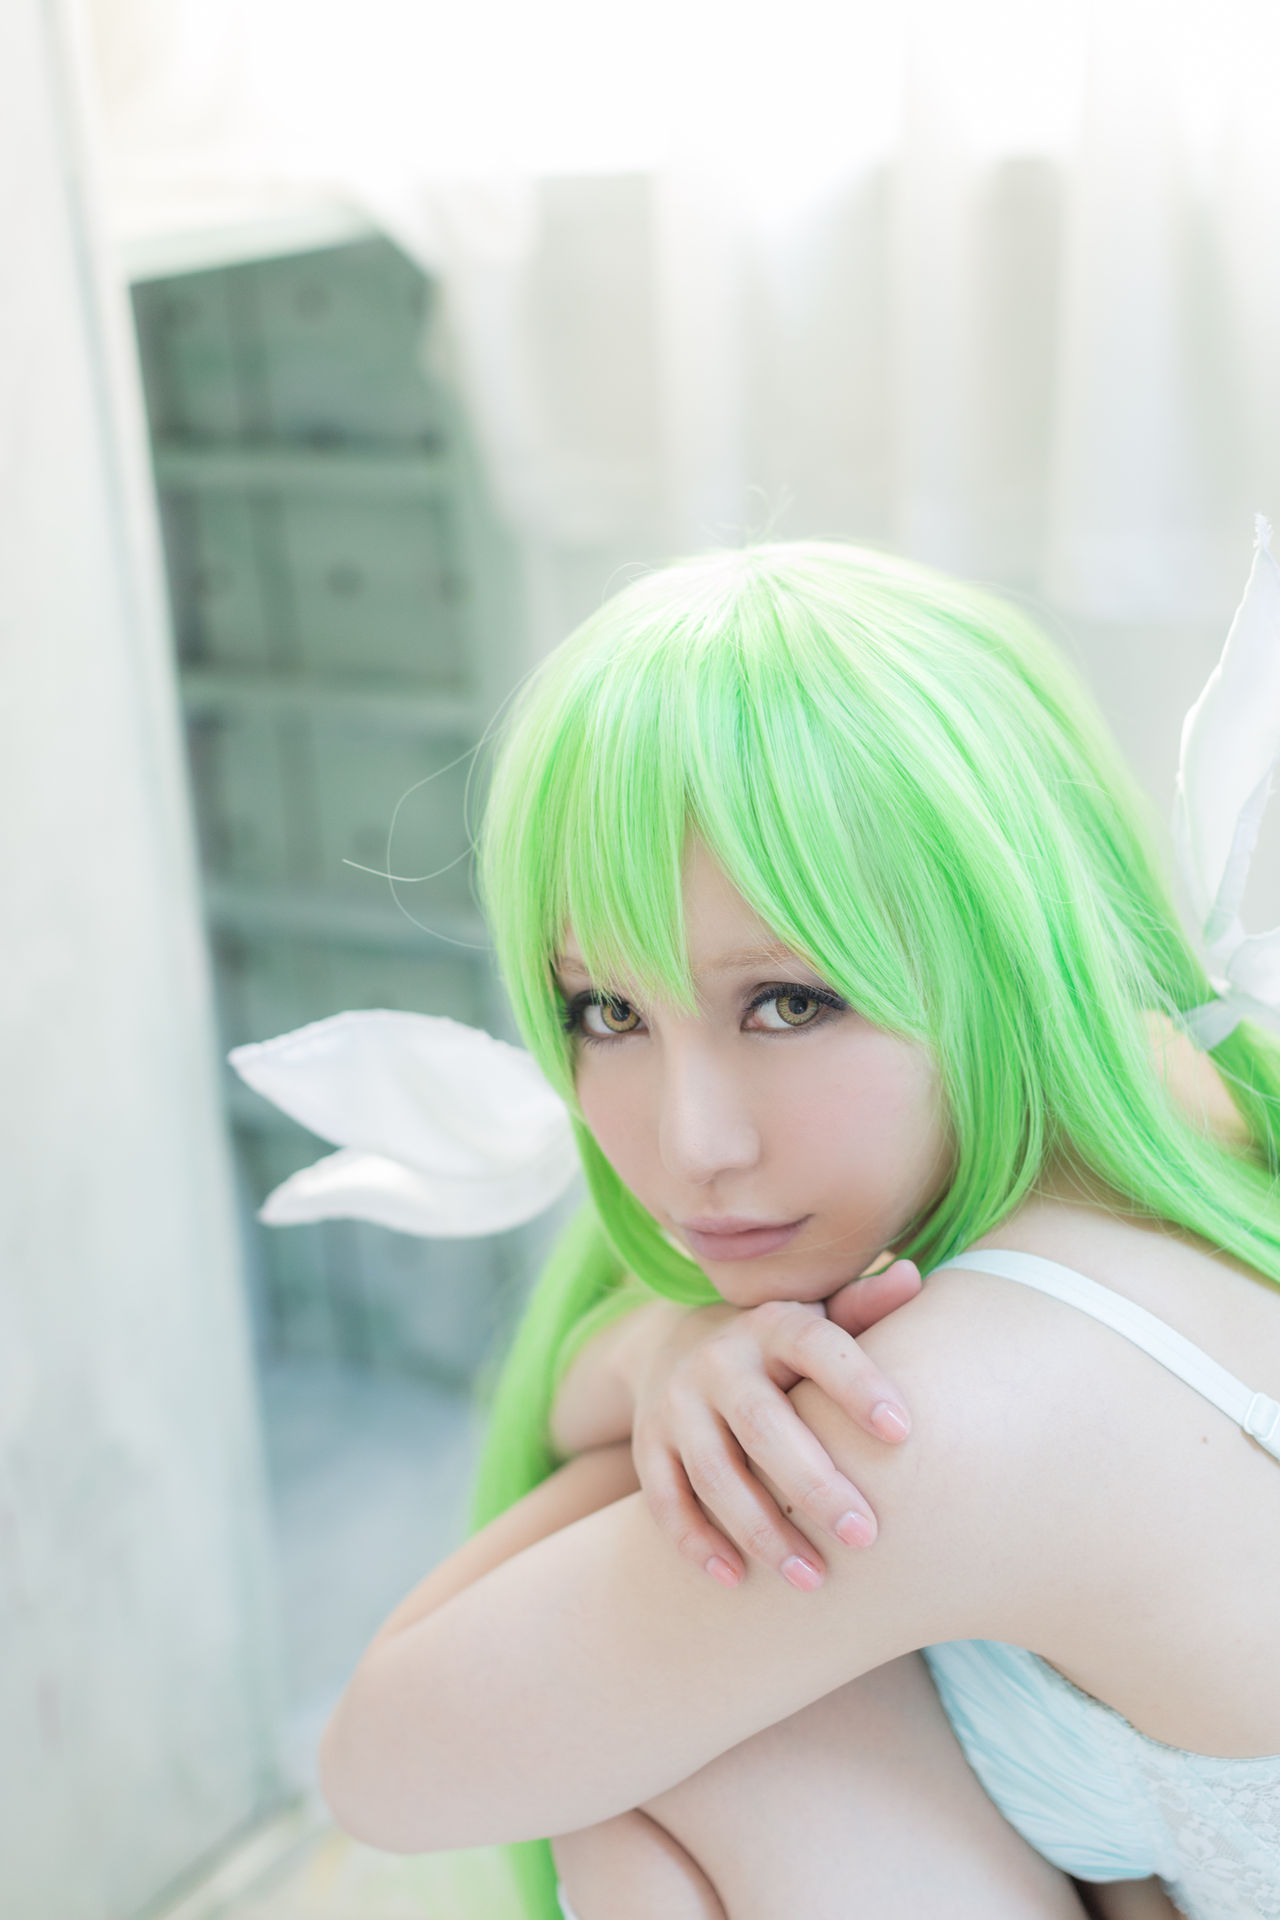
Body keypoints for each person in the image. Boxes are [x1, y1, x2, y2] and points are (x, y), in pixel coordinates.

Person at [310, 536, 1280, 1920]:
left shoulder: (941, 1407)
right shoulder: (1197, 1099)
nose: (694, 1143)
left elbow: (387, 1763)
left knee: (677, 1759)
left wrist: (678, 1381)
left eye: (789, 1003)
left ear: (1000, 944)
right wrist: (664, 1350)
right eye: (608, 1012)